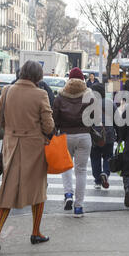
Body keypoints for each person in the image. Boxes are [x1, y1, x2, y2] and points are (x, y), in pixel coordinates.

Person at [0, 61, 55, 255]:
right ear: (38, 76)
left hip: (11, 146)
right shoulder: (41, 94)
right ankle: (36, 232)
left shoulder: (7, 91)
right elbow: (49, 126)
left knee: (7, 190)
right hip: (33, 147)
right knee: (38, 190)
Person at [53, 68, 94, 218]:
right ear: (83, 80)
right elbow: (94, 118)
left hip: (65, 135)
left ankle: (68, 193)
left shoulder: (60, 96)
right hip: (84, 135)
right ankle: (79, 207)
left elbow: (54, 118)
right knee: (81, 171)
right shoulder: (89, 96)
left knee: (66, 166)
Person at [90, 83, 117, 190]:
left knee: (95, 157)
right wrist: (119, 134)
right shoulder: (110, 103)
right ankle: (105, 173)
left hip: (94, 135)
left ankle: (97, 180)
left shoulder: (90, 103)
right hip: (108, 133)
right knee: (108, 156)